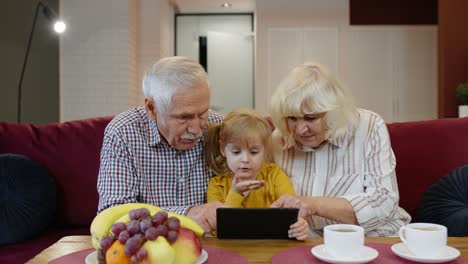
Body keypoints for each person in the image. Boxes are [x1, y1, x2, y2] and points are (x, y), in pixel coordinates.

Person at [269, 62, 411, 236]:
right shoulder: (279, 139)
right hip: (307, 241)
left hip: (373, 235)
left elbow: (384, 202)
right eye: (292, 118)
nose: (300, 130)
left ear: (333, 113)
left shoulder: (369, 126)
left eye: (310, 118)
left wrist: (313, 204)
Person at [97, 56, 227, 233]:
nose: (197, 129)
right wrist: (187, 214)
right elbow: (113, 216)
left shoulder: (216, 125)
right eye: (184, 117)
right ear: (152, 108)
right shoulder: (122, 133)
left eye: (203, 113)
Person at [205, 108, 309, 240]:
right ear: (222, 149)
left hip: (272, 246)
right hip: (233, 249)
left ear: (264, 150)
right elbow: (217, 228)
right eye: (236, 152)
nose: (245, 159)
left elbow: (292, 212)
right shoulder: (216, 185)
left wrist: (299, 225)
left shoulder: (274, 174)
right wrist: (236, 194)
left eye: (254, 152)